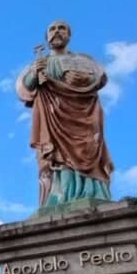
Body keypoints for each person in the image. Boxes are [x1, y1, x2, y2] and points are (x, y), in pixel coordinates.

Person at [16, 19, 114, 207]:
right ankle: (60, 193)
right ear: (47, 38)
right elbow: (26, 88)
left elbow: (98, 78)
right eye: (52, 29)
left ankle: (92, 189)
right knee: (58, 155)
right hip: (53, 116)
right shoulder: (42, 63)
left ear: (69, 35)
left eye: (62, 28)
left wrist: (83, 79)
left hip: (83, 114)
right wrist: (34, 74)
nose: (56, 32)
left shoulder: (81, 61)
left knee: (88, 147)